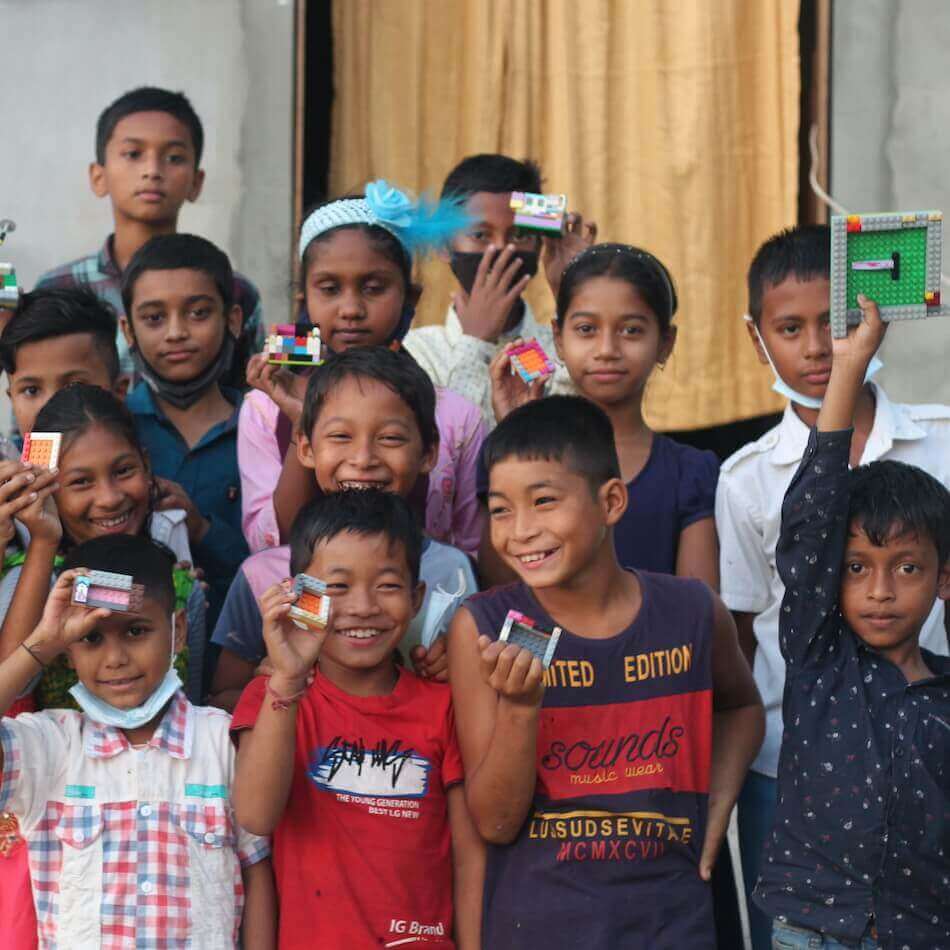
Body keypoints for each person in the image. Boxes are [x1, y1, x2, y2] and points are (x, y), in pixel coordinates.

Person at [448, 396, 764, 948]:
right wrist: (521, 711)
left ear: (612, 501)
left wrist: (717, 812)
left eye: (543, 501)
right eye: (500, 509)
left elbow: (741, 707)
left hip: (672, 920)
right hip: (542, 924)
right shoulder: (485, 627)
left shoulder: (690, 612)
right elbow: (495, 822)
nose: (520, 530)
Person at [715, 224, 950, 950]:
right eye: (792, 328)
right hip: (797, 765)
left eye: (838, 323)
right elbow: (749, 620)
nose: (818, 347)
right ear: (759, 338)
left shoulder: (943, 440)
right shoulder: (746, 476)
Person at [230, 489, 482, 949]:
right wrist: (287, 679)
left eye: (387, 584)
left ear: (416, 595)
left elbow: (469, 858)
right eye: (337, 587)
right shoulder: (274, 699)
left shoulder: (444, 706)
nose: (363, 606)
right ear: (299, 596)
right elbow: (255, 815)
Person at [0, 535, 274, 948]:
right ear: (67, 648)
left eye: (135, 631)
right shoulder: (50, 746)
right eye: (91, 638)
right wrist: (42, 643)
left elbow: (255, 870)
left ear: (177, 631)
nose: (115, 659)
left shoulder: (221, 740)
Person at [211, 347, 477, 711]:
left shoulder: (454, 572)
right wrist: (275, 685)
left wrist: (456, 671)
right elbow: (221, 699)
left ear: (429, 452)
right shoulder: (263, 578)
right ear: (306, 447)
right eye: (340, 437)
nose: (363, 459)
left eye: (391, 438)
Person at [238, 180, 485, 557]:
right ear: (305, 299)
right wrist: (300, 423)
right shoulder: (263, 409)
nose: (351, 309)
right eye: (330, 289)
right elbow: (268, 543)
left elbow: (471, 549)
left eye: (373, 288)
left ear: (410, 296)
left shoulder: (456, 417)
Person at [489, 243, 719, 588]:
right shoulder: (502, 458)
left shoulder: (689, 473)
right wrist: (518, 438)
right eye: (586, 329)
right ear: (558, 339)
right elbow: (499, 585)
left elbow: (697, 612)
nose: (607, 350)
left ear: (666, 342)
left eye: (631, 330)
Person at [35, 86, 262, 382]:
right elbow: (34, 410)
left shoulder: (235, 292)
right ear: (98, 176)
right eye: (133, 154)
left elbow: (259, 398)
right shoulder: (58, 290)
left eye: (174, 158)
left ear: (196, 181)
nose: (152, 170)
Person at [0, 384, 207, 705]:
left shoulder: (180, 586)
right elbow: (13, 684)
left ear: (146, 465)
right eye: (81, 481)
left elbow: (192, 705)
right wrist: (44, 538)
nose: (109, 498)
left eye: (123, 471)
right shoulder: (37, 583)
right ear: (49, 490)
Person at [404, 153, 595, 428]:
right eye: (480, 236)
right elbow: (446, 451)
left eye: (519, 236)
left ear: (540, 245)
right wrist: (476, 342)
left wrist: (574, 290)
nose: (501, 250)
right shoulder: (418, 351)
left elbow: (583, 425)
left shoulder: (558, 345)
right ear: (444, 247)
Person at [121, 233, 249, 628]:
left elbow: (286, 557)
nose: (176, 332)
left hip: (245, 656)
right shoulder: (114, 429)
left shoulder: (265, 427)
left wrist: (202, 529)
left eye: (197, 313)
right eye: (154, 318)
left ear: (233, 320)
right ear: (128, 330)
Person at [0, 287, 127, 439]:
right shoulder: (9, 457)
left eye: (74, 386)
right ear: (12, 400)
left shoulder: (142, 454)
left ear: (119, 392)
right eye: (32, 390)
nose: (50, 408)